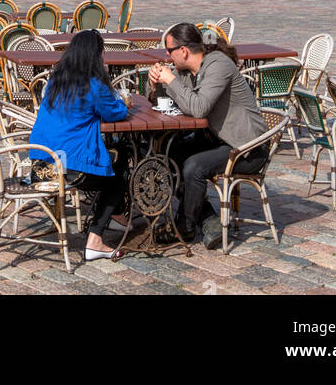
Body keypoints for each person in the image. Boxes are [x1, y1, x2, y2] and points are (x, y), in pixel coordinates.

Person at [148, 22, 268, 249]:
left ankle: (184, 228)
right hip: (219, 138)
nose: (166, 55)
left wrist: (170, 80)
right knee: (168, 151)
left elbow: (198, 108)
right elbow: (166, 100)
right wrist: (154, 82)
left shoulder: (218, 65)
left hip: (248, 147)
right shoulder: (188, 71)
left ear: (183, 51)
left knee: (194, 166)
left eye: (169, 50)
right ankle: (208, 218)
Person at [29, 30, 130, 261]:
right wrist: (122, 98)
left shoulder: (56, 79)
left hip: (40, 165)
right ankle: (97, 237)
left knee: (112, 161)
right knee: (119, 170)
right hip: (70, 170)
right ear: (97, 55)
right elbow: (116, 112)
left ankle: (117, 215)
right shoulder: (93, 84)